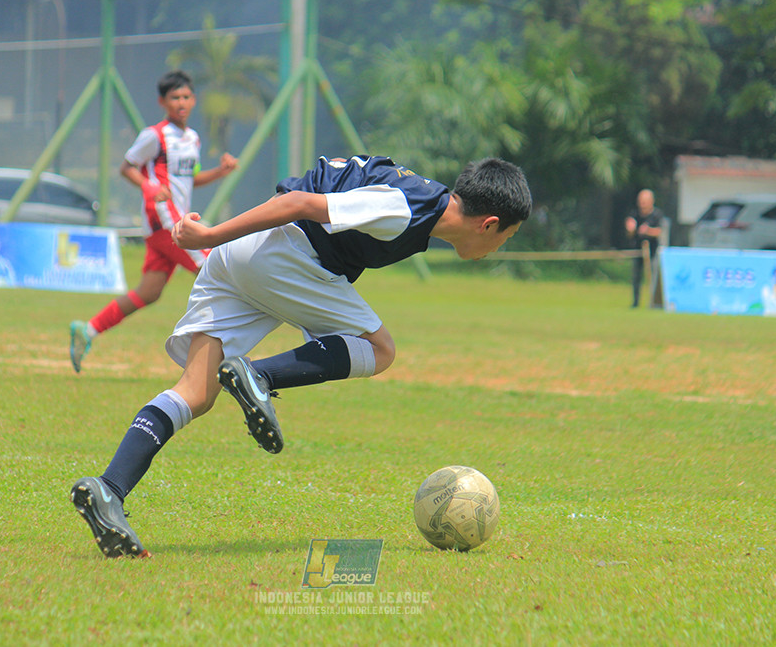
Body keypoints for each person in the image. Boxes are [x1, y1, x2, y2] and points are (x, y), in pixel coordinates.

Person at [70, 154, 532, 558]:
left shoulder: (418, 200)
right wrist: (208, 233)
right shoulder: (407, 205)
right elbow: (297, 203)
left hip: (241, 257)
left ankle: (109, 488)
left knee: (196, 391)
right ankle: (259, 376)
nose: (499, 247)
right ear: (489, 223)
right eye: (506, 237)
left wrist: (218, 241)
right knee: (381, 349)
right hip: (283, 254)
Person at [69, 70, 238, 372]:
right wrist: (149, 186)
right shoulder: (155, 135)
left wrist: (220, 172)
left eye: (186, 97)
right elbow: (127, 167)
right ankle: (223, 351)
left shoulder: (192, 138)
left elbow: (189, 178)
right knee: (213, 268)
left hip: (174, 220)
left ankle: (88, 330)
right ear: (162, 102)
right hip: (164, 220)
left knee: (150, 291)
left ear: (194, 100)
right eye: (175, 97)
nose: (181, 103)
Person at [624, 188, 664, 308]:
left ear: (651, 201)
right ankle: (635, 302)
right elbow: (630, 233)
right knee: (636, 277)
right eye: (640, 201)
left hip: (652, 251)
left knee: (653, 277)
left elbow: (660, 232)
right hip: (638, 250)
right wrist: (630, 229)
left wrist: (648, 231)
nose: (642, 204)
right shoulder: (635, 214)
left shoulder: (657, 215)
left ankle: (653, 302)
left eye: (644, 201)